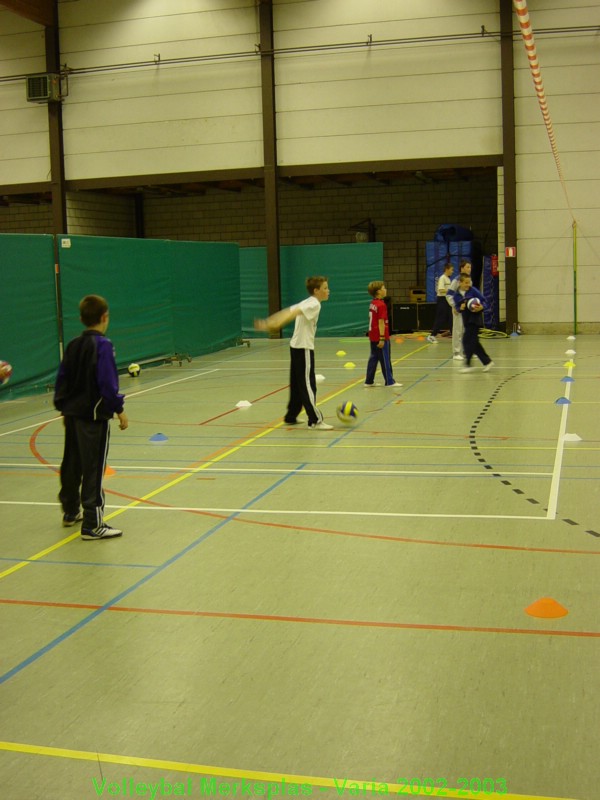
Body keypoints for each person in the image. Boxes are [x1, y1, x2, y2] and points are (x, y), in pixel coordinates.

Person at [54, 295, 129, 539]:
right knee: (94, 469)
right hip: (93, 418)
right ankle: (92, 524)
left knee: (72, 464)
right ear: (104, 318)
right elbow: (107, 383)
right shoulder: (103, 345)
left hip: (73, 415)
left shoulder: (74, 344)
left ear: (82, 319)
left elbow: (61, 380)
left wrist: (64, 408)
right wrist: (119, 409)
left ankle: (70, 511)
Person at [254, 276, 333, 430]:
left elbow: (288, 312)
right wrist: (273, 325)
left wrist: (271, 322)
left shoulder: (307, 301)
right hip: (304, 348)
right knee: (308, 385)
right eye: (325, 288)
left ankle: (291, 416)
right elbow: (291, 313)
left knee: (298, 385)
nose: (328, 291)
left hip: (295, 347)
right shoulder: (314, 304)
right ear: (316, 291)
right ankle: (315, 420)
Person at [364, 281, 402, 388]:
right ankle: (390, 381)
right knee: (385, 359)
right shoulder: (381, 305)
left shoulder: (373, 303)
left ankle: (369, 381)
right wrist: (381, 338)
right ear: (378, 292)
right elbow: (381, 322)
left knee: (374, 358)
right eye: (383, 288)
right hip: (380, 336)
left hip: (373, 335)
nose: (385, 289)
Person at [453, 275, 494, 373]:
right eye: (466, 283)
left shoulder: (473, 291)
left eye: (469, 282)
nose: (468, 285)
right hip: (466, 320)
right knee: (474, 343)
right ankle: (487, 361)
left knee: (467, 340)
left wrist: (482, 307)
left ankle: (468, 364)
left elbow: (484, 301)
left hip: (475, 319)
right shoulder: (456, 295)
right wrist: (460, 308)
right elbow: (457, 308)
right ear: (460, 283)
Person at [446, 259, 472, 360]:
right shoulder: (456, 280)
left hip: (467, 310)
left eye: (470, 267)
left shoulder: (470, 280)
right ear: (462, 269)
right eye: (467, 267)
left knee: (466, 330)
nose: (469, 269)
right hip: (458, 310)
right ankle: (456, 353)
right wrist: (454, 306)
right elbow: (449, 295)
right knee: (457, 331)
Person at [427, 262, 454, 343]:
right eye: (451, 270)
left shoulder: (448, 279)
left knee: (451, 318)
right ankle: (432, 336)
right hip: (442, 300)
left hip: (447, 300)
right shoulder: (442, 278)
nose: (452, 271)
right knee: (440, 318)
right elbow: (441, 290)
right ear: (447, 269)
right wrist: (450, 291)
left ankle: (455, 335)